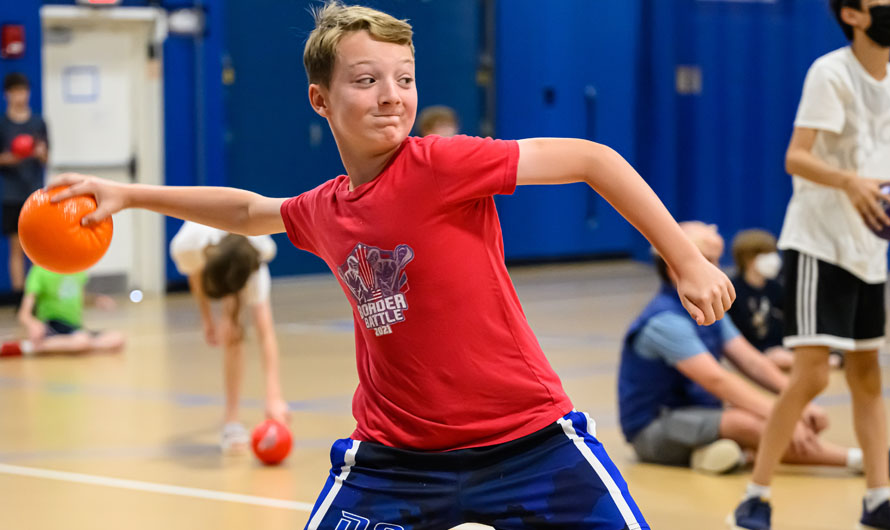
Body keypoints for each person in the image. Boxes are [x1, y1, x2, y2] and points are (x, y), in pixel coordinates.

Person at [50, 3, 735, 528]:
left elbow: (593, 159)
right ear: (320, 100)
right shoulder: (325, 209)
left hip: (528, 442)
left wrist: (682, 258)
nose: (391, 94)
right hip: (395, 461)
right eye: (366, 80)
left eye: (404, 79)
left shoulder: (441, 164)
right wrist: (130, 196)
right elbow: (248, 210)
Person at [730, 1, 890, 528]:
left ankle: (878, 498)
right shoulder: (830, 72)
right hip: (818, 243)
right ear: (854, 14)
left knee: (868, 377)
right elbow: (795, 157)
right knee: (813, 376)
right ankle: (756, 496)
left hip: (868, 248)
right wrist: (848, 181)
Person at [620, 222, 864, 477]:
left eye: (716, 260)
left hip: (699, 413)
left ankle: (716, 452)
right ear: (674, 269)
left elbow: (751, 361)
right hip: (653, 428)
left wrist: (797, 402)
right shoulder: (664, 321)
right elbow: (717, 380)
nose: (715, 270)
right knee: (747, 423)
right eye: (707, 261)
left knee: (759, 416)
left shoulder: (704, 307)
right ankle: (859, 460)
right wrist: (784, 416)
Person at [170, 221, 288, 453]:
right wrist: (207, 320)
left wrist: (274, 396)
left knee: (238, 331)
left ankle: (244, 415)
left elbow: (266, 334)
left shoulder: (256, 258)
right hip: (212, 254)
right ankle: (231, 419)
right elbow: (195, 275)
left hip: (244, 255)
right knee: (229, 329)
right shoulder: (187, 246)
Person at [0, 265, 124, 358]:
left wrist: (97, 300)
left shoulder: (78, 268)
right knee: (81, 340)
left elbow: (78, 297)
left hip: (75, 328)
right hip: (53, 326)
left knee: (117, 338)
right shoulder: (40, 270)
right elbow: (24, 314)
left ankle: (50, 346)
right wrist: (33, 324)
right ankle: (31, 347)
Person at [0, 73, 49, 298]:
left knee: (38, 248)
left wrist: (39, 153)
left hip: (34, 193)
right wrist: (16, 156)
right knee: (16, 246)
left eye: (23, 91)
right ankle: (19, 296)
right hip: (11, 193)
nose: (20, 96)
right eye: (15, 92)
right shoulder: (2, 124)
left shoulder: (38, 122)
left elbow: (46, 157)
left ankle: (36, 295)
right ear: (6, 95)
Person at [728, 229, 795, 371]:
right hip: (747, 359)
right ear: (748, 259)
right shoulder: (732, 290)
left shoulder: (777, 288)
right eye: (765, 254)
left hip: (780, 355)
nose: (774, 259)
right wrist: (762, 354)